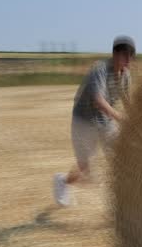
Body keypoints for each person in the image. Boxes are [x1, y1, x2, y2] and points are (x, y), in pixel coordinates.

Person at [53, 35, 134, 206]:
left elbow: (127, 101)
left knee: (121, 159)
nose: (128, 59)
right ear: (114, 54)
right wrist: (120, 118)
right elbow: (99, 100)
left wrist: (136, 120)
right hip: (84, 121)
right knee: (85, 173)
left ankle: (123, 203)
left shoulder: (126, 75)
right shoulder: (100, 69)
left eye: (131, 55)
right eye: (125, 55)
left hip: (105, 121)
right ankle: (63, 181)